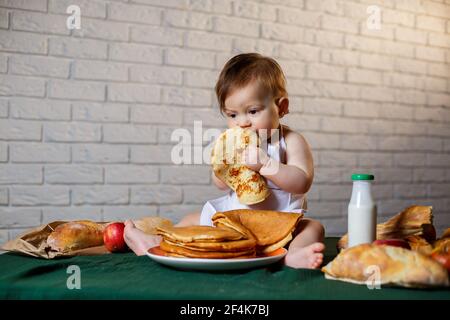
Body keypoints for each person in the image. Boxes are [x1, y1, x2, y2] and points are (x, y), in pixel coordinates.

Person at [124, 53, 325, 269]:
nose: (242, 123)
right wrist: (224, 169)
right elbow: (220, 184)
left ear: (282, 107)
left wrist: (266, 164)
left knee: (313, 228)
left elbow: (302, 181)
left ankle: (292, 255)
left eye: (253, 111)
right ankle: (159, 243)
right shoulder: (234, 145)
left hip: (279, 224)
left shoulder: (291, 141)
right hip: (234, 221)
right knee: (193, 219)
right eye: (232, 115)